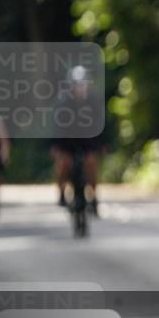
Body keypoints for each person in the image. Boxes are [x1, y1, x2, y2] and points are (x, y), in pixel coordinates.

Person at [50, 65, 104, 214]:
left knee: (91, 163)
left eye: (83, 84)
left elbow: (100, 123)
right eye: (77, 85)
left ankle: (93, 197)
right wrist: (57, 146)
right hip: (67, 140)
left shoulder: (93, 101)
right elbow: (57, 126)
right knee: (64, 164)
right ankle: (61, 193)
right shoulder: (63, 101)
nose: (80, 88)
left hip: (87, 140)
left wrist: (102, 144)